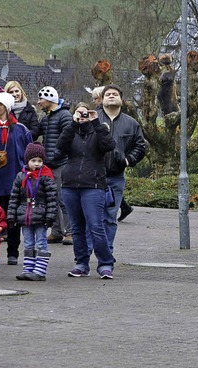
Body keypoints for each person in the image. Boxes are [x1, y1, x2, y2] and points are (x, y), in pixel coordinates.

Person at [57, 102, 116, 279]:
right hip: (70, 185)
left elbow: (109, 145)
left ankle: (105, 263)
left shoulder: (98, 131)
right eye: (79, 113)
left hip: (93, 186)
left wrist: (96, 123)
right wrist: (73, 123)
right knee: (77, 228)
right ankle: (81, 263)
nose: (82, 116)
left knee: (96, 226)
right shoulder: (71, 131)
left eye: (85, 113)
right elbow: (60, 146)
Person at [0, 92, 32, 266]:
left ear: (7, 108)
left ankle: (12, 252)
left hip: (13, 181)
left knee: (13, 218)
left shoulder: (21, 129)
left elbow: (28, 155)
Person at [97, 84, 147, 254]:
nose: (111, 96)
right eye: (108, 94)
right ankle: (88, 253)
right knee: (92, 218)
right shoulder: (93, 119)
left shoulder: (131, 123)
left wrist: (128, 160)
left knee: (110, 217)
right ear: (102, 99)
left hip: (115, 178)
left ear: (121, 99)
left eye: (115, 94)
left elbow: (141, 146)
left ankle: (107, 253)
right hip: (93, 177)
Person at [7, 142, 58, 281]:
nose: (36, 164)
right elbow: (14, 198)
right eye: (33, 160)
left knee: (41, 242)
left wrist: (50, 217)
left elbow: (52, 199)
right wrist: (11, 216)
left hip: (41, 216)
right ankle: (28, 269)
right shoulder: (20, 176)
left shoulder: (46, 177)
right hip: (25, 216)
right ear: (27, 161)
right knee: (28, 243)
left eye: (40, 161)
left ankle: (40, 271)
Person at [37, 86, 73, 245]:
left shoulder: (64, 115)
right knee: (52, 198)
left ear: (50, 99)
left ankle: (71, 231)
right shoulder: (46, 118)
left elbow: (68, 138)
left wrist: (57, 155)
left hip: (61, 164)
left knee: (63, 198)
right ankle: (57, 231)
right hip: (49, 164)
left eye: (41, 99)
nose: (38, 103)